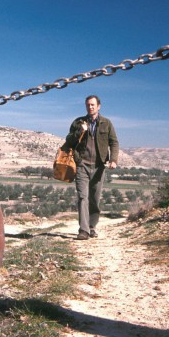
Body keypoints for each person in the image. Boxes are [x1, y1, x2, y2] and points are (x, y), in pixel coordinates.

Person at [64, 95, 119, 240]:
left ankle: (92, 226)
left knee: (95, 198)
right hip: (82, 164)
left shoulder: (106, 123)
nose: (90, 107)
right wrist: (79, 132)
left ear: (99, 106)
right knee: (83, 197)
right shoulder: (78, 122)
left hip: (99, 166)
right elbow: (68, 141)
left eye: (93, 105)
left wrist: (113, 159)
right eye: (88, 105)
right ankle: (83, 230)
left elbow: (114, 142)